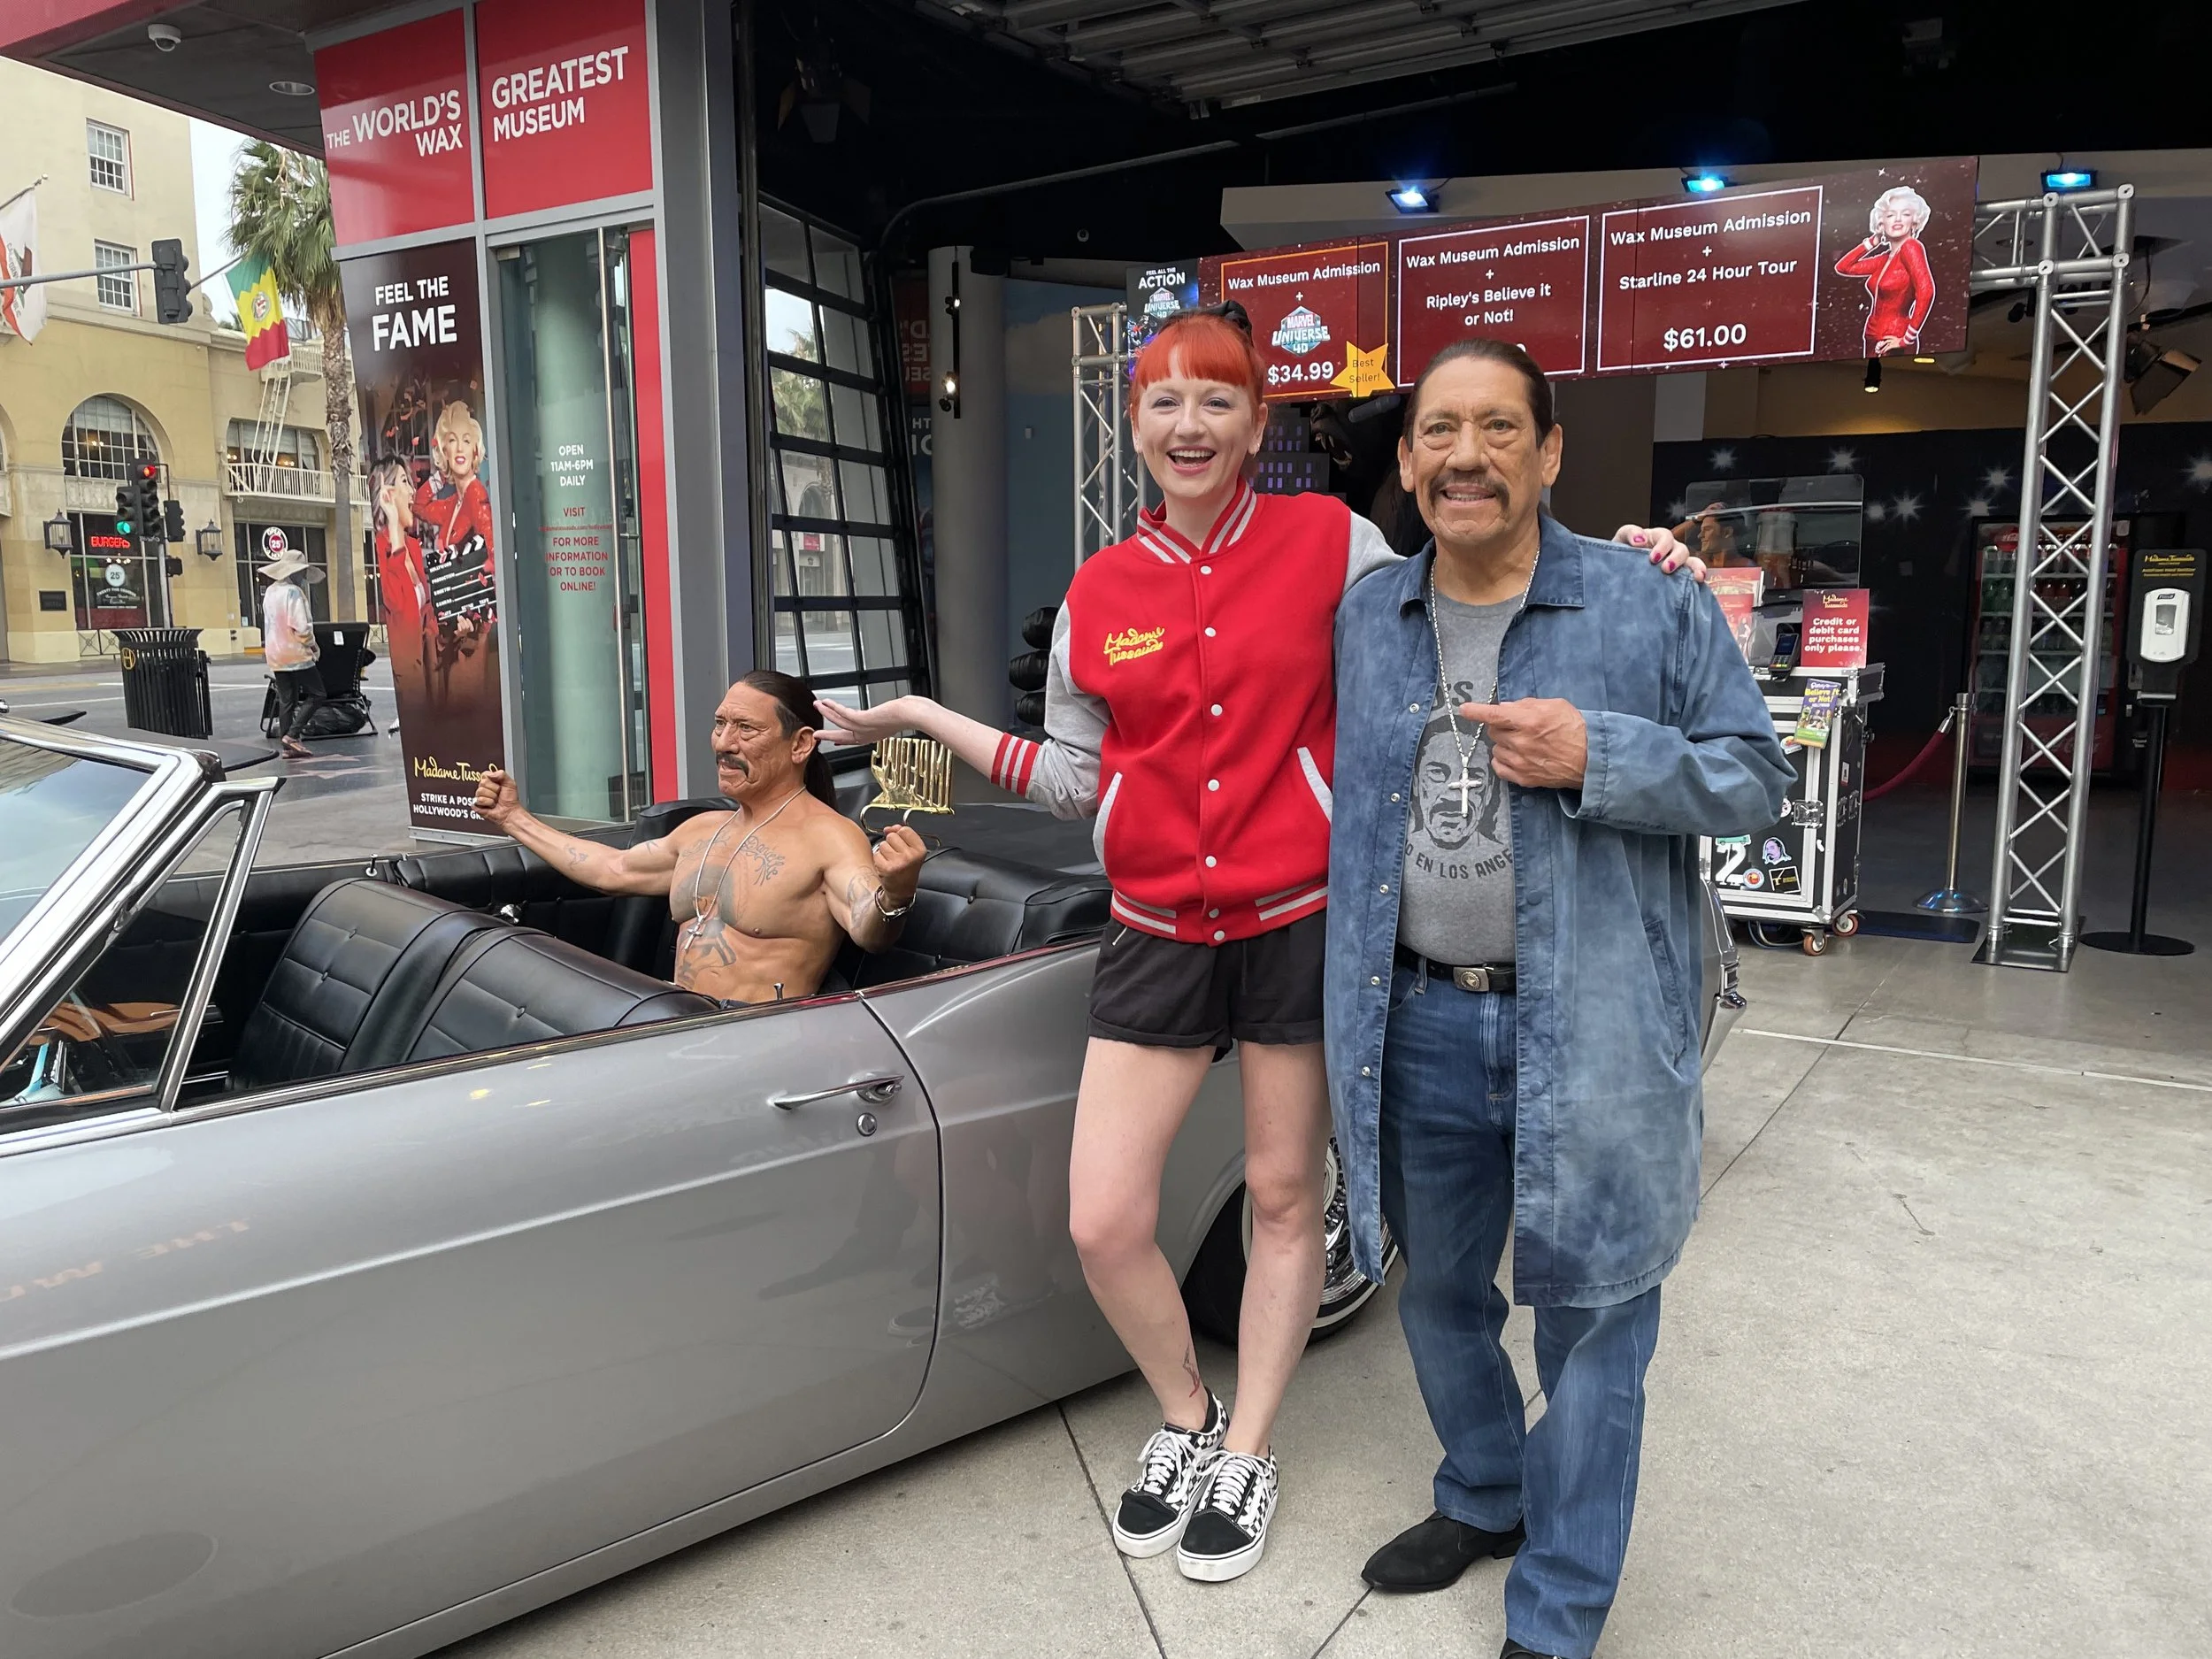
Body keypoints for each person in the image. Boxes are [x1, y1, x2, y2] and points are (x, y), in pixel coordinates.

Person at [816, 305, 1702, 1585]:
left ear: (1256, 422)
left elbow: (1474, 576)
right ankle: (1184, 1411)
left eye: (1217, 400)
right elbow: (1073, 775)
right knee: (1106, 1216)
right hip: (1155, 934)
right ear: (1135, 423)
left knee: (1289, 1197)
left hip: (1297, 926)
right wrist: (914, 712)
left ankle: (1250, 1439)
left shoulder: (1332, 544)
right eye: (1164, 401)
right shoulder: (1096, 595)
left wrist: (1636, 558)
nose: (1190, 424)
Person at [1325, 339, 1793, 1659]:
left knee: (1592, 1323)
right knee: (1438, 1297)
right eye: (1437, 432)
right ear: (1409, 459)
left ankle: (1562, 1607)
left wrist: (1609, 755)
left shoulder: (1645, 603)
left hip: (1587, 1025)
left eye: (1495, 429)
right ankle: (1485, 1488)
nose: (1463, 456)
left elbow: (1758, 777)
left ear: (1549, 453)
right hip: (1414, 1018)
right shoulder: (1371, 616)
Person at [472, 672, 926, 1006]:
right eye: (719, 724)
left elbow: (870, 928)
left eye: (745, 729)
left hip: (759, 1036)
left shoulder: (830, 836)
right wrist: (513, 818)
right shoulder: (706, 829)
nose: (723, 743)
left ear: (800, 745)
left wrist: (898, 888)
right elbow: (611, 870)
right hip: (676, 1020)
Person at [1835, 184, 1936, 357]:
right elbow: (1844, 267)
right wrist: (1873, 241)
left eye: (1905, 214)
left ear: (1915, 221)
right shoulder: (1885, 258)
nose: (1897, 219)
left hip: (1893, 336)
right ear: (1882, 222)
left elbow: (1926, 291)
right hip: (1872, 334)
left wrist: (1907, 338)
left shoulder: (1911, 247)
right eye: (1890, 215)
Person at [259, 547, 324, 761]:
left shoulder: (270, 592)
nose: (303, 577)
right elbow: (301, 627)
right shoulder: (293, 593)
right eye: (301, 572)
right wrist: (313, 646)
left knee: (287, 699)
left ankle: (288, 746)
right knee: (317, 694)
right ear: (293, 572)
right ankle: (292, 736)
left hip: (276, 654)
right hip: (296, 653)